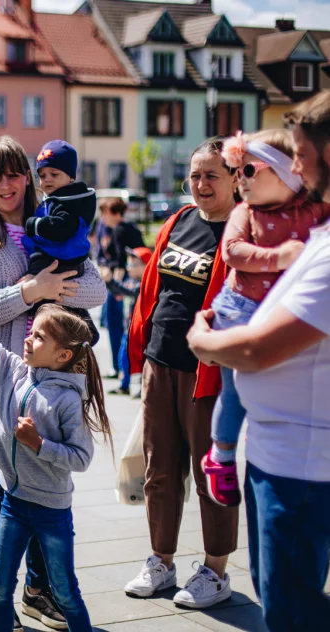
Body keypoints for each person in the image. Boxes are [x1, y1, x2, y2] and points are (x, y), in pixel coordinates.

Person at [186, 91, 330, 631]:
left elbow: (255, 349)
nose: (294, 165)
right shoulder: (293, 227)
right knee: (275, 596)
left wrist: (203, 342)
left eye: (300, 152)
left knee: (292, 611)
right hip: (275, 456)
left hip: (303, 463)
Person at [0, 136, 107, 631]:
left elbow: (96, 287)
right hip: (6, 374)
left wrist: (54, 288)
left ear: (28, 176)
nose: (6, 184)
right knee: (12, 482)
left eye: (14, 173)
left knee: (51, 484)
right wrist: (33, 290)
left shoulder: (55, 220)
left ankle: (37, 590)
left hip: (59, 375)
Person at [0, 250, 112, 632]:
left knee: (65, 593)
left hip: (51, 510)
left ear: (62, 355)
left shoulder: (67, 400)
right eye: (31, 332)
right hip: (13, 502)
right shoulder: (13, 369)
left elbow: (81, 458)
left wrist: (37, 444)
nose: (28, 339)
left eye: (39, 336)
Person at [124, 138, 241, 608]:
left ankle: (215, 571)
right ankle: (161, 561)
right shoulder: (178, 221)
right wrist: (140, 349)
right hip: (161, 362)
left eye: (212, 174)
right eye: (195, 175)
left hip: (207, 372)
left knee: (209, 471)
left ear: (236, 178)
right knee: (160, 470)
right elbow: (154, 287)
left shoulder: (242, 230)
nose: (201, 183)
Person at [201, 129, 329, 508]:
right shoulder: (245, 212)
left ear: (287, 173)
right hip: (239, 309)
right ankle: (221, 455)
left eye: (250, 170)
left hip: (283, 310)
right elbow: (232, 252)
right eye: (236, 170)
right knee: (236, 388)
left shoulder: (316, 210)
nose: (240, 179)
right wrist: (278, 258)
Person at [25, 140, 97, 278]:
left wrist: (34, 224)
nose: (47, 179)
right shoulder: (59, 198)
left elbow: (61, 228)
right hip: (62, 258)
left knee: (32, 283)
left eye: (54, 174)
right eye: (42, 175)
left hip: (61, 261)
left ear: (70, 177)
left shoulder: (70, 202)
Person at [96, 198, 145, 378]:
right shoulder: (115, 227)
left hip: (122, 280)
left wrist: (116, 285)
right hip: (122, 279)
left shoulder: (122, 229)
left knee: (118, 324)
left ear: (116, 214)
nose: (102, 217)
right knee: (117, 324)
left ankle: (120, 367)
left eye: (105, 213)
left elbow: (121, 260)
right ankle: (120, 367)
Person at [101, 246, 151, 396]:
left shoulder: (144, 284)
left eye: (134, 265)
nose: (129, 268)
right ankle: (125, 384)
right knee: (125, 356)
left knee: (139, 358)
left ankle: (141, 386)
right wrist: (110, 283)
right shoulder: (132, 281)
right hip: (130, 327)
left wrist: (110, 281)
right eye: (129, 264)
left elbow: (126, 290)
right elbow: (120, 290)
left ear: (146, 266)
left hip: (141, 329)